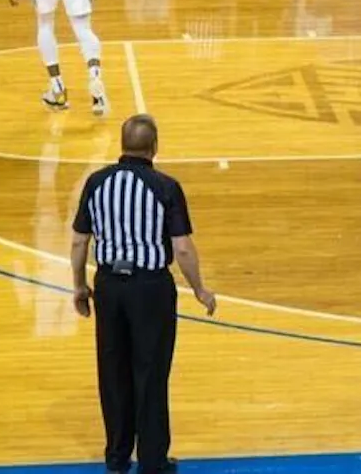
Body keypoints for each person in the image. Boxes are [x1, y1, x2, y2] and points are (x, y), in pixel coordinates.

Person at [71, 115, 216, 474]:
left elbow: (79, 240)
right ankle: (152, 461)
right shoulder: (165, 186)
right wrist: (199, 288)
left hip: (108, 287)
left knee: (113, 370)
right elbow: (181, 248)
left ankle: (117, 457)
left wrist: (78, 285)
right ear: (155, 147)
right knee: (150, 372)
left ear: (121, 144)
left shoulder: (96, 182)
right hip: (150, 288)